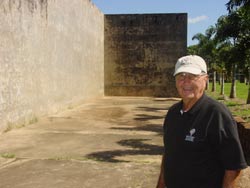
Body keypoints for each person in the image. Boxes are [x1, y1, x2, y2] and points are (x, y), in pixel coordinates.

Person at [156, 55, 248, 188]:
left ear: (205, 79)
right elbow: (169, 154)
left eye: (193, 76)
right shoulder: (173, 113)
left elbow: (233, 167)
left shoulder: (217, 114)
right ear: (175, 80)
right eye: (181, 75)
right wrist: (160, 184)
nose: (186, 81)